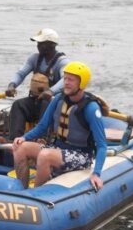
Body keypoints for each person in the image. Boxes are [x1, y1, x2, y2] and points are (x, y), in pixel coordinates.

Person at [12, 62, 107, 191]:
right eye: (65, 78)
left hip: (81, 156)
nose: (66, 82)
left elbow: (101, 145)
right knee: (20, 147)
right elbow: (42, 126)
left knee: (45, 155)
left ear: (82, 83)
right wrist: (24, 137)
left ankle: (35, 195)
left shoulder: (91, 108)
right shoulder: (58, 99)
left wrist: (96, 174)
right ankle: (21, 190)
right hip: (57, 148)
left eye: (71, 80)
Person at [6, 28, 70, 140]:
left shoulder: (63, 62)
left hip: (55, 104)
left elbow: (66, 79)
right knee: (18, 105)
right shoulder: (34, 59)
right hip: (36, 101)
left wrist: (51, 91)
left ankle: (43, 139)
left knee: (46, 103)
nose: (38, 46)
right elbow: (21, 74)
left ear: (51, 45)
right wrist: (12, 85)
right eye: (38, 43)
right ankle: (14, 140)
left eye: (41, 43)